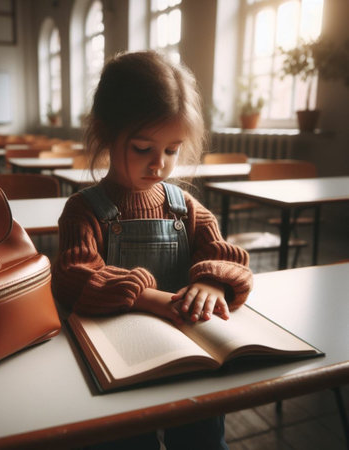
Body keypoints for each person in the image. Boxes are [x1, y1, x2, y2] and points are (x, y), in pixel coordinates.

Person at [52, 50, 253, 450]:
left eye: (172, 150)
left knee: (202, 440)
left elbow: (224, 254)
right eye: (143, 148)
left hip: (190, 358)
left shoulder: (185, 207)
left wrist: (212, 283)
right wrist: (152, 298)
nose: (158, 164)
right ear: (106, 133)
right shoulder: (84, 211)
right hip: (119, 362)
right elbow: (74, 276)